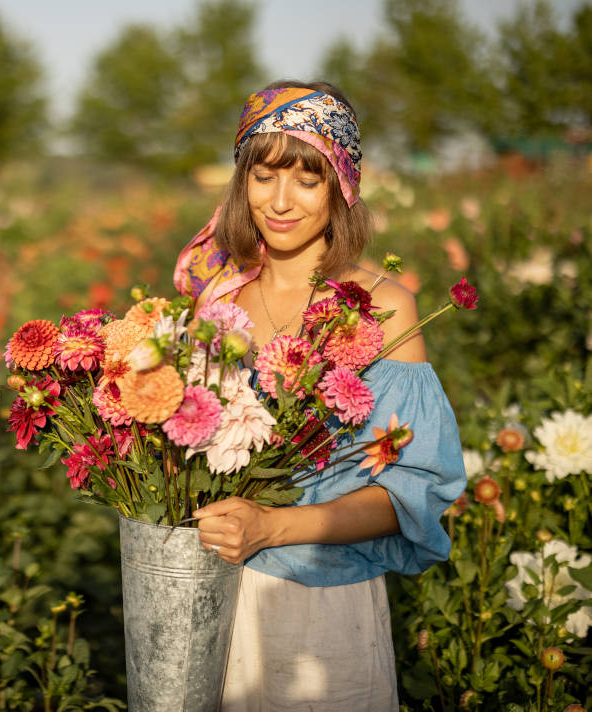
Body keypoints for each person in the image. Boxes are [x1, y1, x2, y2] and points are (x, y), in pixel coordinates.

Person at [173, 81, 466, 711]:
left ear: (342, 185)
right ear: (240, 181)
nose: (280, 201)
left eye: (307, 179)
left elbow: (409, 489)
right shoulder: (215, 303)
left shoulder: (385, 308)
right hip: (211, 591)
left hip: (323, 604)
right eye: (264, 175)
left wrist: (273, 525)